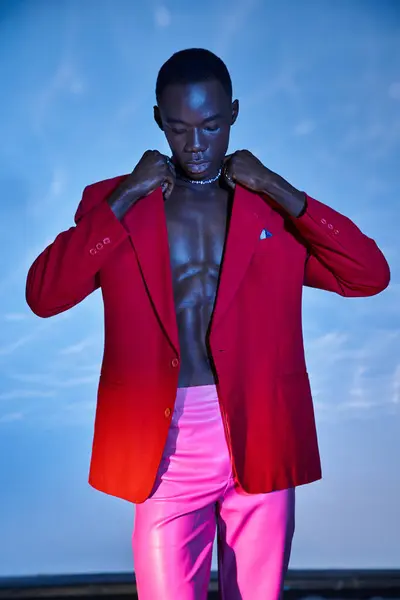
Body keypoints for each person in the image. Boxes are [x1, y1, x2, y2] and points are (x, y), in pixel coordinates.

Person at [26, 48, 390, 599]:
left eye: (211, 126)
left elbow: (369, 273)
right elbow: (44, 295)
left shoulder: (269, 210)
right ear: (158, 123)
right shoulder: (118, 205)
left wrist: (279, 188)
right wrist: (125, 195)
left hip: (259, 435)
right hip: (165, 447)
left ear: (235, 114)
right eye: (179, 128)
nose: (196, 145)